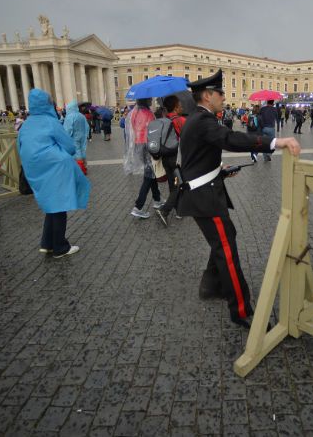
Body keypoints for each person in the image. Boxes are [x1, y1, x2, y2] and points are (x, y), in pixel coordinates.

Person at [177, 70, 301, 328]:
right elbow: (231, 139)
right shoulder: (203, 120)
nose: (224, 97)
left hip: (206, 190)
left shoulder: (199, 118)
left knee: (224, 240)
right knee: (227, 252)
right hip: (205, 197)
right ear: (208, 95)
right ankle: (241, 310)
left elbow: (196, 158)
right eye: (220, 93)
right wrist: (276, 141)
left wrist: (218, 171)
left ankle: (211, 286)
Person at [18, 89, 90, 258]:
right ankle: (60, 247)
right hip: (55, 168)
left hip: (35, 171)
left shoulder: (25, 125)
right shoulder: (51, 122)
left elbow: (19, 147)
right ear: (47, 104)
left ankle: (47, 243)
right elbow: (70, 147)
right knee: (58, 206)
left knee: (51, 205)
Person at [124, 98, 162, 218]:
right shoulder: (148, 113)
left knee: (151, 173)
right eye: (150, 99)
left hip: (138, 145)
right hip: (148, 145)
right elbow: (154, 131)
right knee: (149, 175)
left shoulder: (133, 113)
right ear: (146, 100)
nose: (151, 100)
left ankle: (157, 199)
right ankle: (138, 206)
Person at [156, 95, 186, 226]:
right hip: (176, 160)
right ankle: (164, 211)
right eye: (180, 105)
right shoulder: (180, 120)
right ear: (175, 107)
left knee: (173, 185)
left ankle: (179, 210)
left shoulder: (163, 120)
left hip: (165, 158)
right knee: (178, 186)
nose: (182, 107)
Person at [63, 100, 89, 174]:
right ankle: (84, 166)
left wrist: (66, 137)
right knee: (82, 150)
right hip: (82, 136)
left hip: (74, 137)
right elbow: (87, 126)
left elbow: (67, 129)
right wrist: (86, 135)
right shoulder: (81, 116)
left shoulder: (69, 117)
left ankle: (80, 168)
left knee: (77, 152)